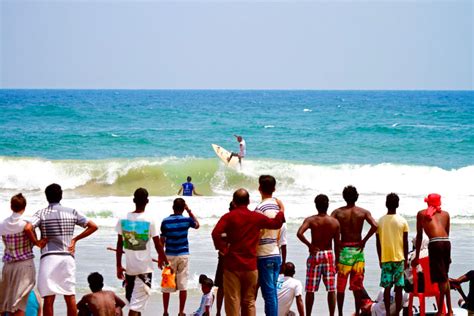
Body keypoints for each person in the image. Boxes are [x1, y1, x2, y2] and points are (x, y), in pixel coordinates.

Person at [211, 188, 285, 316]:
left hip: (232, 266)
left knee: (233, 300)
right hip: (251, 266)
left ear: (234, 202)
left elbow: (215, 233)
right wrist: (281, 210)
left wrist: (223, 249)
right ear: (249, 201)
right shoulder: (255, 217)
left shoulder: (229, 217)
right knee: (249, 302)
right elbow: (276, 223)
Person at [32, 183, 98, 316]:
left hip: (49, 258)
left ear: (46, 197)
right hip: (67, 257)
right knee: (69, 296)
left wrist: (37, 242)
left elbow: (28, 227)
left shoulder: (41, 213)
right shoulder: (72, 211)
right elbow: (93, 226)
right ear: (61, 196)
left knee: (49, 298)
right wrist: (75, 239)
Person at [115, 188, 168, 316]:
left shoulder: (123, 219)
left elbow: (119, 244)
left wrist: (118, 265)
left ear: (134, 200)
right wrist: (164, 259)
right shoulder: (150, 220)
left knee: (136, 305)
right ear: (147, 201)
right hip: (144, 270)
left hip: (130, 270)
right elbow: (157, 244)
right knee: (135, 307)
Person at [331, 185, 378, 316]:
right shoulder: (363, 212)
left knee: (340, 288)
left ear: (344, 197)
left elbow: (330, 228)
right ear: (357, 197)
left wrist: (336, 246)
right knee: (357, 286)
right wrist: (364, 240)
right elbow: (375, 226)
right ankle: (357, 312)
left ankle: (340, 313)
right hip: (358, 251)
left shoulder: (337, 213)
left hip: (344, 252)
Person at [0, 193, 47, 315]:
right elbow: (35, 241)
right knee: (21, 302)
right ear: (24, 207)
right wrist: (37, 242)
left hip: (8, 266)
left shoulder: (2, 224)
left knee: (8, 302)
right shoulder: (26, 224)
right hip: (24, 266)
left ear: (11, 207)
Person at [297, 194, 340, 316]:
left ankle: (308, 314)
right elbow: (337, 244)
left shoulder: (311, 220)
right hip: (329, 254)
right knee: (331, 289)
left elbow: (299, 233)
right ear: (327, 205)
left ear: (316, 205)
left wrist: (309, 245)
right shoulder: (334, 222)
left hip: (315, 254)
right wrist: (337, 261)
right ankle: (332, 314)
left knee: (310, 289)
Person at [412, 193, 453, 316]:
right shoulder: (446, 214)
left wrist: (417, 257)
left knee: (441, 280)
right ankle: (449, 310)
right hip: (446, 242)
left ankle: (440, 311)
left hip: (435, 243)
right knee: (445, 277)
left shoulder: (422, 214)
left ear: (427, 202)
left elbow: (419, 237)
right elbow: (446, 233)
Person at [160, 198, 200, 316]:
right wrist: (189, 211)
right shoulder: (186, 220)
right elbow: (197, 225)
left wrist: (161, 257)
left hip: (169, 256)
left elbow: (162, 241)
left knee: (167, 286)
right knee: (183, 285)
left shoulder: (165, 222)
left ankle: (166, 312)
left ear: (173, 207)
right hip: (183, 255)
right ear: (183, 208)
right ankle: (181, 311)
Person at [255, 175, 286, 316]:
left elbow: (257, 233)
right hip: (275, 252)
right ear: (274, 189)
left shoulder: (260, 208)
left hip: (264, 254)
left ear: (259, 189)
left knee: (269, 294)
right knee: (272, 292)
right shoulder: (278, 208)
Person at [376, 193, 409, 316]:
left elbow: (378, 243)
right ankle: (397, 314)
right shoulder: (403, 221)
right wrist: (406, 259)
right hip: (399, 259)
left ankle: (388, 313)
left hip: (386, 259)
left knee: (387, 287)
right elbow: (405, 243)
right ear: (398, 205)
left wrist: (380, 258)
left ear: (386, 204)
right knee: (399, 287)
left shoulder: (380, 221)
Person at [214, 201, 235, 316]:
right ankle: (220, 312)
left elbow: (216, 235)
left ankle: (219, 312)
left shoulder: (225, 219)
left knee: (222, 287)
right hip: (231, 257)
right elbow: (217, 234)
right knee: (229, 287)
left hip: (225, 256)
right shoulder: (228, 220)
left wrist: (222, 249)